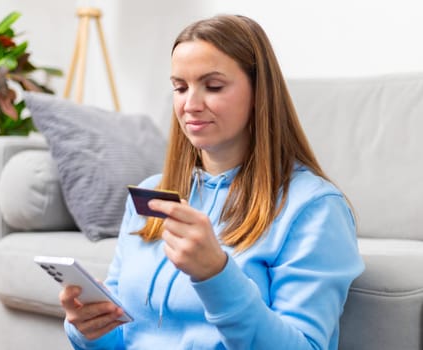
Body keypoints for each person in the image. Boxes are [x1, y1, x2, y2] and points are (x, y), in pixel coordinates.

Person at [60, 14, 364, 350]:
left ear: (259, 92)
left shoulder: (314, 208)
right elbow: (123, 338)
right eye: (180, 87)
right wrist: (87, 329)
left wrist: (215, 275)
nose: (190, 104)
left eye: (213, 86)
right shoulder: (154, 194)